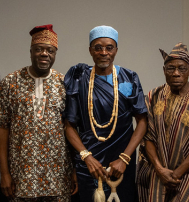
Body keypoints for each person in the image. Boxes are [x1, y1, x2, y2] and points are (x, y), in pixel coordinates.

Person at [0, 24, 76, 202]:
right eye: (39, 49)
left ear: (55, 54)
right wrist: (4, 172)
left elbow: (72, 127)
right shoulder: (11, 82)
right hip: (21, 176)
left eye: (50, 50)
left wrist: (75, 170)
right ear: (30, 52)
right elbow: (2, 128)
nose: (45, 54)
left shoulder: (64, 83)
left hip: (58, 176)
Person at [63, 25, 148, 202]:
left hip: (121, 163)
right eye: (98, 47)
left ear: (116, 49)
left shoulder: (129, 77)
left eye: (109, 47)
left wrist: (124, 159)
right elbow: (69, 125)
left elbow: (142, 121)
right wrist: (86, 157)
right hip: (89, 163)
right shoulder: (79, 78)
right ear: (90, 50)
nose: (104, 52)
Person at [136, 43, 189, 202]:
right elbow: (147, 136)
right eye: (171, 68)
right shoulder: (153, 96)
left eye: (182, 68)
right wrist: (160, 170)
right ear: (164, 71)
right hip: (157, 175)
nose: (176, 73)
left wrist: (175, 175)